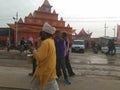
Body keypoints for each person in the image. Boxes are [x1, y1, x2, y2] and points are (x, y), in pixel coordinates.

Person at [30, 23, 59, 90]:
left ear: (45, 33)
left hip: (44, 71)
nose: (41, 34)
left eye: (42, 32)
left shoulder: (46, 42)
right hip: (49, 70)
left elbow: (39, 57)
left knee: (36, 87)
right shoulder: (51, 41)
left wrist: (33, 51)